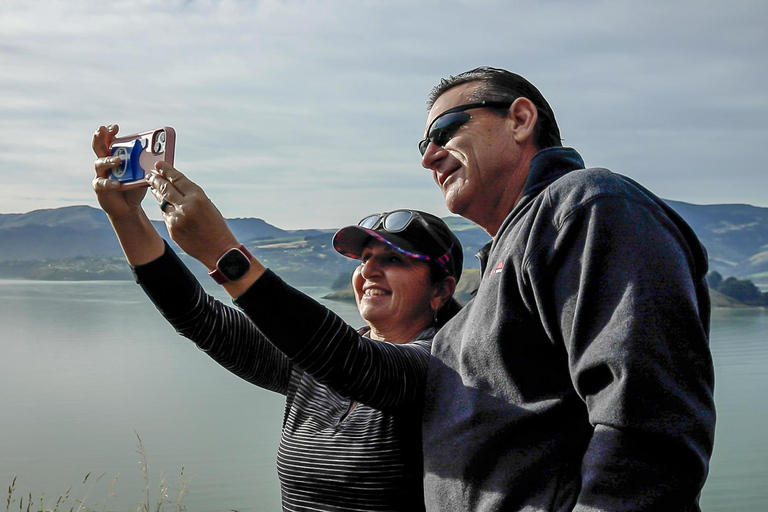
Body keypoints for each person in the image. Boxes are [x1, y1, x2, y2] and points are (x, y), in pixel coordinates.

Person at [91, 125, 464, 512]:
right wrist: (126, 216)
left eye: (394, 260)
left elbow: (350, 360)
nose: (369, 270)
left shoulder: (442, 371)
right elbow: (196, 315)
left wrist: (222, 251)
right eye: (366, 259)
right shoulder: (312, 368)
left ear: (440, 290)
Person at [417, 67, 716, 511]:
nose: (430, 157)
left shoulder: (587, 206)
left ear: (520, 120)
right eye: (423, 146)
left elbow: (647, 420)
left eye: (444, 131)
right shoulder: (506, 261)